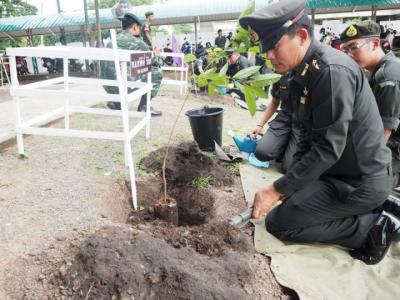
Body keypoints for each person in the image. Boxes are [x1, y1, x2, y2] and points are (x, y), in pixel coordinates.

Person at [240, 0, 399, 265]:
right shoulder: (304, 71)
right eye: (264, 48)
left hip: (359, 180)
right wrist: (289, 184)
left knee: (281, 223)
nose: (268, 55)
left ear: (301, 36)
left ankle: (372, 227)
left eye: (274, 46)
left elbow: (327, 148)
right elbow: (307, 134)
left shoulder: (330, 71)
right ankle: (370, 207)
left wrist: (276, 190)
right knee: (292, 182)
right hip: (338, 171)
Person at [341, 21, 400, 188]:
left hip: (393, 148)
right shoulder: (375, 71)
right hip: (376, 138)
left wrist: (363, 168)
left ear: (374, 43)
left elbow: (384, 132)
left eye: (353, 47)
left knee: (352, 183)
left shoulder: (390, 76)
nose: (349, 54)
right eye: (345, 50)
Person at [102, 13, 163, 117]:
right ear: (135, 27)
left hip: (108, 85)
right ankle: (144, 106)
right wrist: (157, 55)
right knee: (156, 71)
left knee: (123, 70)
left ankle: (117, 103)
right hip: (123, 86)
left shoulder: (112, 41)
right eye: (139, 28)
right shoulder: (137, 42)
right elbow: (155, 62)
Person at [250, 74, 303, 174]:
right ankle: (282, 145)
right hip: (284, 118)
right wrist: (260, 125)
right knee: (261, 153)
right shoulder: (281, 75)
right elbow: (275, 102)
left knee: (288, 168)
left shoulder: (310, 74)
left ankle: (289, 149)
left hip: (302, 122)